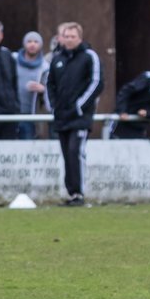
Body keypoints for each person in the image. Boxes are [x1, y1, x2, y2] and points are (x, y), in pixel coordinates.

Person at [45, 21, 103, 206]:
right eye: (66, 36)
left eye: (73, 37)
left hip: (80, 117)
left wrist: (79, 106)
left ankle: (79, 193)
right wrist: (54, 106)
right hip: (61, 116)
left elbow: (96, 83)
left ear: (80, 38)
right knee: (65, 153)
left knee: (75, 152)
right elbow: (50, 84)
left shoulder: (89, 56)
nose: (69, 40)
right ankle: (71, 194)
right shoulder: (57, 59)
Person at [14, 31, 47, 140]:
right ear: (24, 44)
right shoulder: (13, 60)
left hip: (32, 114)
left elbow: (51, 88)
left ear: (40, 45)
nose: (32, 44)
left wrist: (42, 89)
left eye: (36, 41)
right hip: (12, 112)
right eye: (29, 41)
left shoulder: (45, 66)